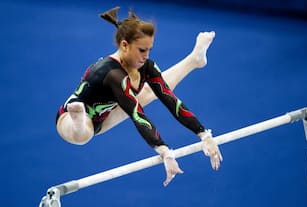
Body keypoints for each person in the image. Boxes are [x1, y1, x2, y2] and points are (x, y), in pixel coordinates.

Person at [56, 6, 222, 186]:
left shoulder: (145, 66)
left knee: (152, 91)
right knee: (83, 135)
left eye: (149, 49)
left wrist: (204, 134)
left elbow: (169, 97)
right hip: (68, 118)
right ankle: (78, 118)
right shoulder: (112, 73)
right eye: (142, 50)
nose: (146, 56)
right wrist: (165, 151)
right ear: (125, 45)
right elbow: (137, 114)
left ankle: (194, 60)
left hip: (105, 114)